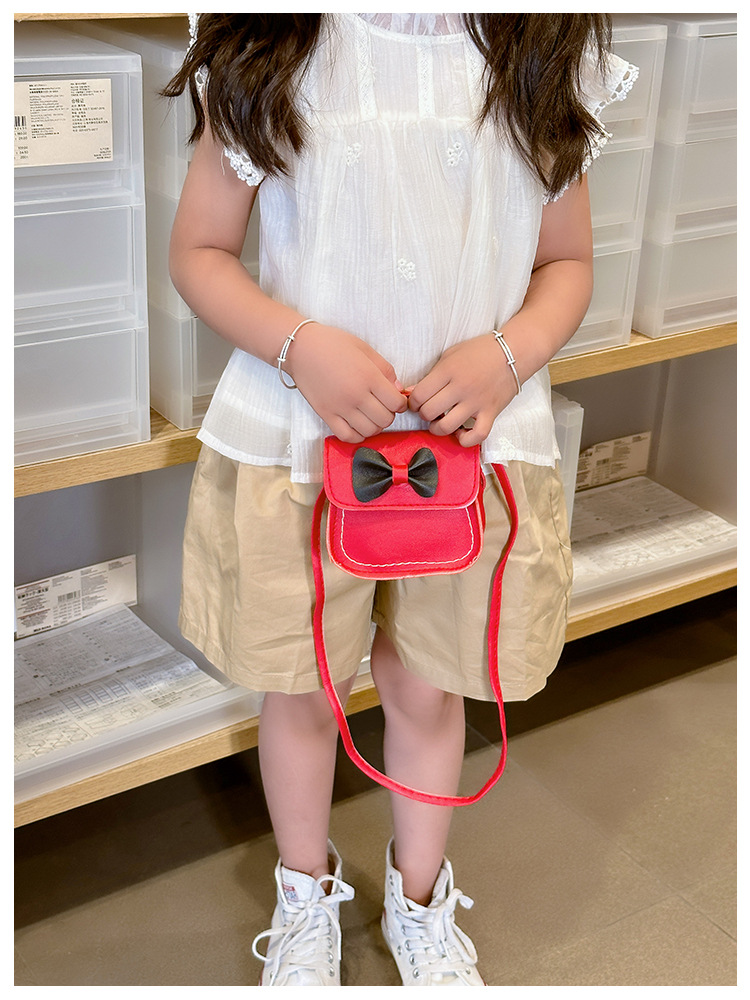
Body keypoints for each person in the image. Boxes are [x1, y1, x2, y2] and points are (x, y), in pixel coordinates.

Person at [166, 13, 637, 987]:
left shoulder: (537, 41)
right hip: (299, 444)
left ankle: (419, 899)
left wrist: (508, 355)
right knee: (301, 687)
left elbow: (567, 260)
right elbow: (200, 249)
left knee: (430, 685)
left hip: (476, 447)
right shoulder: (273, 37)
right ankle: (305, 894)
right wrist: (300, 344)